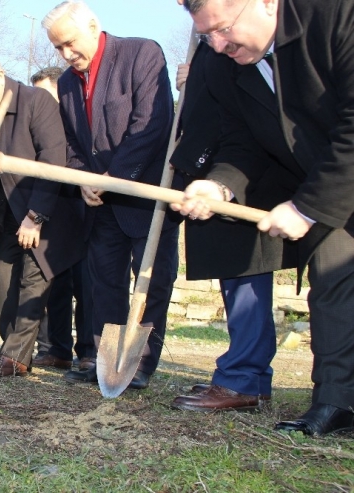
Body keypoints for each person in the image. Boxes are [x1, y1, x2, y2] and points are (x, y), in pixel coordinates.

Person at [173, 0, 354, 436]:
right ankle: (337, 402)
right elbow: (244, 142)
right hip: (332, 181)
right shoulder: (229, 63)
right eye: (205, 36)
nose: (217, 45)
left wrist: (306, 206)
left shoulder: (336, 15)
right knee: (332, 274)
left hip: (336, 173)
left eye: (223, 29)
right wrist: (218, 185)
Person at [43, 1, 179, 389]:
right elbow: (71, 143)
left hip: (146, 194)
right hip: (100, 204)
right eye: (58, 48)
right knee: (105, 284)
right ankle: (109, 364)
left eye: (70, 43)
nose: (67, 55)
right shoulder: (67, 83)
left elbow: (151, 127)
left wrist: (114, 178)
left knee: (152, 280)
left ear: (92, 26)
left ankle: (141, 365)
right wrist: (84, 179)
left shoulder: (141, 53)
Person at [169, 35, 295, 412]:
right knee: (236, 278)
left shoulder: (243, 38)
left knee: (246, 276)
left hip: (248, 175)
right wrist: (191, 86)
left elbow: (260, 101)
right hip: (220, 172)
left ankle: (242, 377)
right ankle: (249, 378)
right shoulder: (212, 45)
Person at [0, 49, 85, 376]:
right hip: (4, 213)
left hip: (46, 210)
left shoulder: (36, 102)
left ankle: (14, 359)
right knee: (6, 284)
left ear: (0, 75)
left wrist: (36, 215)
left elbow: (53, 159)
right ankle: (13, 350)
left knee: (31, 285)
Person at [29, 67, 96, 372]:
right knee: (55, 279)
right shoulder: (37, 124)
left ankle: (87, 352)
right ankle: (56, 349)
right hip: (52, 207)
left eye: (45, 94)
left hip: (86, 206)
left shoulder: (78, 118)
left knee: (86, 283)